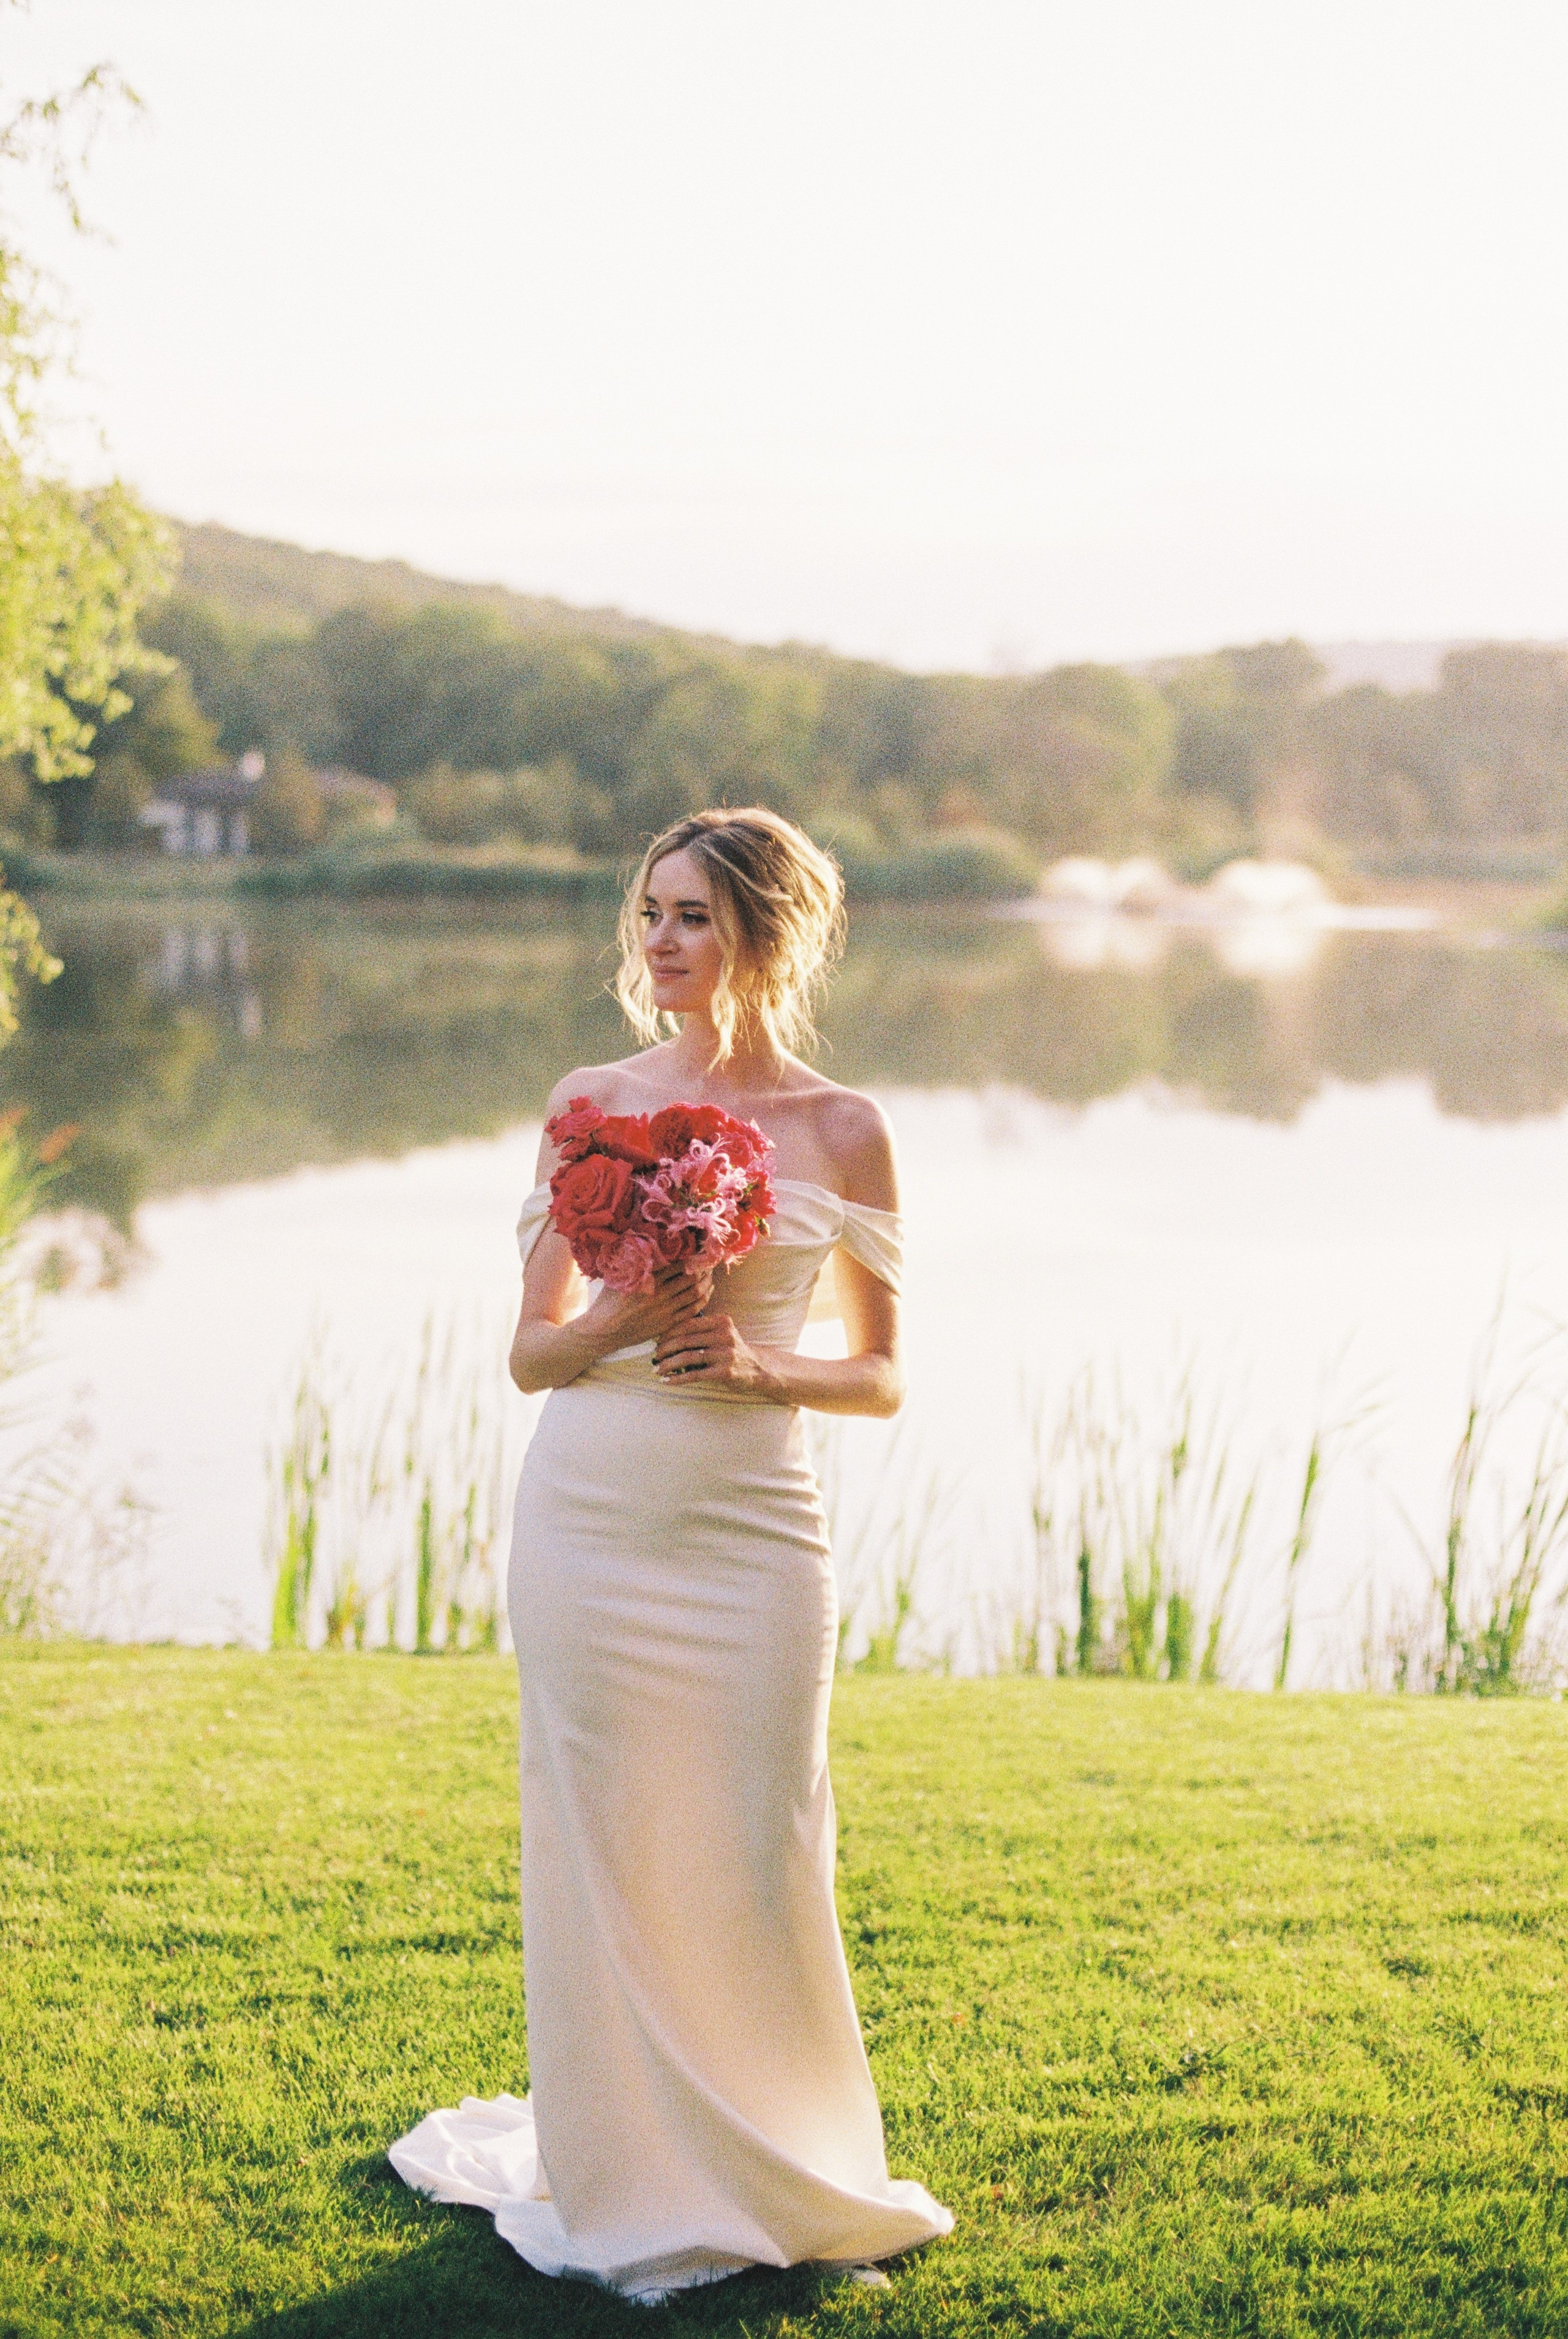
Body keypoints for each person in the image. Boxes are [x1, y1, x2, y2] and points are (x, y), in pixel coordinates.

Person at [390, 807, 953, 2305]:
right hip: (591, 1509)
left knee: (761, 1833)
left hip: (753, 1524)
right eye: (647, 912)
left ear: (770, 928)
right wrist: (629, 1318)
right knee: (605, 1832)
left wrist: (764, 1361)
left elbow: (884, 1373)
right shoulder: (587, 1101)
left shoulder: (846, 1126)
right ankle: (625, 2167)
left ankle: (784, 2155)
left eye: (691, 914)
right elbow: (529, 1355)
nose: (658, 941)